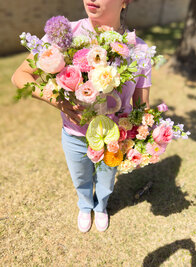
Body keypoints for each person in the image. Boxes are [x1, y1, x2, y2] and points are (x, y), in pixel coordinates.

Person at [11, 0, 151, 232]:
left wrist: (144, 138)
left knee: (106, 182)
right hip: (74, 135)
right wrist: (56, 100)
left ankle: (101, 206)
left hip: (113, 140)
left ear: (124, 2)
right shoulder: (64, 35)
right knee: (81, 178)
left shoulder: (139, 50)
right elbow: (20, 76)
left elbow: (141, 105)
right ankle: (85, 206)